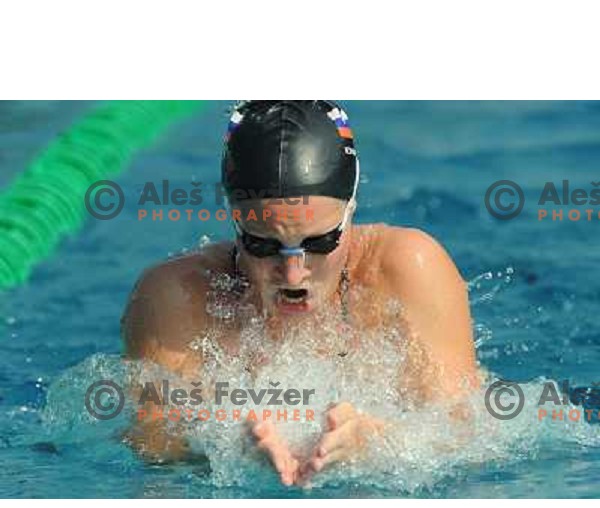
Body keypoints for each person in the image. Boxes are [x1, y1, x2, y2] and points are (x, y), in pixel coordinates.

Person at [121, 100, 481, 486]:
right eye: (262, 244)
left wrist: (375, 443)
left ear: (351, 209)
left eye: (321, 241)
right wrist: (223, 445)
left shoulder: (408, 269)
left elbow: (465, 432)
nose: (293, 274)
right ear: (233, 220)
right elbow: (151, 444)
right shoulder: (177, 294)